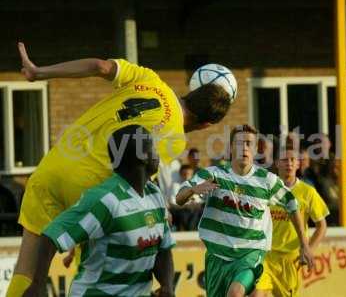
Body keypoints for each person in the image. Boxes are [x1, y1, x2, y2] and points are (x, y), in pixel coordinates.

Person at [8, 42, 231, 297]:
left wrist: (39, 72)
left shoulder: (150, 79)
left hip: (51, 168)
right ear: (205, 125)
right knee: (95, 275)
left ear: (191, 92)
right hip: (90, 189)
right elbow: (135, 182)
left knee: (27, 268)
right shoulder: (175, 140)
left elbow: (100, 66)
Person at [23, 125, 175, 297]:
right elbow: (51, 236)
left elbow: (163, 249)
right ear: (141, 156)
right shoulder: (104, 200)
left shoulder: (154, 195)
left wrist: (167, 287)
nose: (158, 153)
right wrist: (37, 286)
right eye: (153, 148)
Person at [176, 125, 314, 297]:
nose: (244, 148)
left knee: (235, 294)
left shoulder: (267, 181)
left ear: (256, 150)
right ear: (231, 148)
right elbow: (179, 198)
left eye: (249, 143)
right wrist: (192, 190)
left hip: (250, 253)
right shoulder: (213, 174)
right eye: (240, 143)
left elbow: (292, 204)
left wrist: (304, 245)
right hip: (217, 255)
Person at [252, 138, 329, 297]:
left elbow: (321, 225)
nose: (289, 163)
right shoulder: (267, 189)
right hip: (266, 255)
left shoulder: (308, 192)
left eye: (292, 160)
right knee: (256, 294)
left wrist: (308, 249)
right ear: (277, 164)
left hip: (290, 259)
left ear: (298, 164)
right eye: (284, 160)